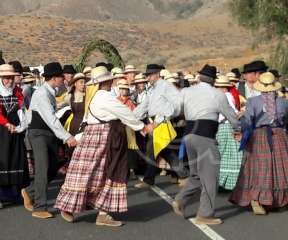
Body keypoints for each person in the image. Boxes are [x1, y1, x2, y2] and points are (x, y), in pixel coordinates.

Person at [54, 66, 148, 227]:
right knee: (107, 172)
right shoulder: (104, 97)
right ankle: (90, 210)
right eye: (110, 80)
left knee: (91, 173)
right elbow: (123, 112)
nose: (112, 82)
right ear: (108, 81)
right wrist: (142, 127)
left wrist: (78, 137)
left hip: (97, 136)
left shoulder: (95, 96)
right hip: (105, 138)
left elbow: (90, 120)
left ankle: (83, 208)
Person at [229, 72, 288, 215]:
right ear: (274, 86)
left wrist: (242, 132)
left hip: (259, 136)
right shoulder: (283, 102)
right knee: (280, 167)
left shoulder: (253, 101)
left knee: (259, 167)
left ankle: (257, 198)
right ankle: (277, 199)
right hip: (278, 135)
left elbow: (247, 121)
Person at [172, 64, 240, 225]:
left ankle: (181, 200)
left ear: (200, 77)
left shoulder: (186, 91)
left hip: (188, 134)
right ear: (213, 80)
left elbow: (176, 110)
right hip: (205, 136)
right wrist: (239, 128)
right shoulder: (217, 94)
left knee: (196, 174)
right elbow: (231, 116)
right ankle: (205, 214)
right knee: (210, 177)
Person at [21, 62, 77, 219]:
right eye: (61, 76)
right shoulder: (42, 94)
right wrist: (67, 137)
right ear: (54, 78)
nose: (63, 79)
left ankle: (30, 191)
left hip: (48, 135)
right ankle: (39, 207)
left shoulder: (50, 92)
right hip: (38, 134)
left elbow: (52, 113)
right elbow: (50, 118)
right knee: (43, 167)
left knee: (54, 165)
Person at [133, 64, 188, 188]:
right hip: (154, 122)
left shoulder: (165, 86)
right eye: (147, 76)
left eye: (149, 75)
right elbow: (144, 106)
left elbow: (177, 104)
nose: (147, 78)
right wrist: (130, 116)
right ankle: (183, 174)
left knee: (152, 149)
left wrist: (159, 120)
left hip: (162, 122)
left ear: (157, 74)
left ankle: (149, 180)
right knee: (164, 150)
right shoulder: (152, 89)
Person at [0, 64, 29, 209]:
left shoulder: (17, 91)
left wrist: (22, 124)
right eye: (6, 78)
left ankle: (15, 194)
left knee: (16, 159)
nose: (9, 81)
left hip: (15, 131)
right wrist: (6, 124)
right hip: (2, 132)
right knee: (3, 160)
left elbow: (21, 109)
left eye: (11, 78)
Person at [214, 75, 243, 191]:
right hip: (228, 126)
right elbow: (232, 113)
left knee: (222, 153)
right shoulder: (227, 96)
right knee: (232, 155)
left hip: (221, 126)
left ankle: (221, 182)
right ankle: (230, 183)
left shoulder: (218, 96)